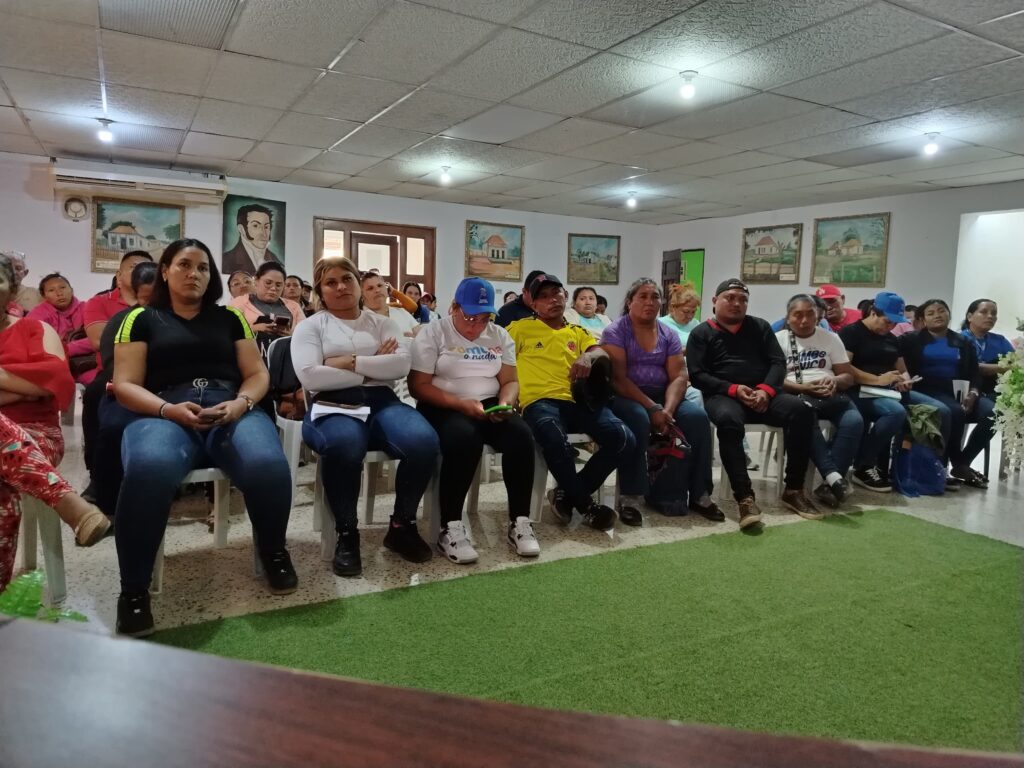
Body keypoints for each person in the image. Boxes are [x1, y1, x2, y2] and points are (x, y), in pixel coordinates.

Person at [111, 238, 297, 637]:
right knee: (149, 468)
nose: (194, 273)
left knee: (267, 464)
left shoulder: (230, 318)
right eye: (184, 264)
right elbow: (124, 384)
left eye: (203, 267)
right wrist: (168, 410)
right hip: (163, 410)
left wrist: (242, 403)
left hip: (228, 406)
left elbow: (257, 374)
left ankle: (273, 552)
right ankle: (134, 590)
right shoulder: (141, 318)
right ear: (164, 270)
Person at [293, 256, 439, 576]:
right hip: (332, 404)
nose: (340, 287)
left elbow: (400, 366)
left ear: (358, 285)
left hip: (382, 401)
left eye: (347, 279)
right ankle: (347, 533)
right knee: (344, 444)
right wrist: (373, 366)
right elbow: (311, 376)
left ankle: (401, 526)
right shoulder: (311, 326)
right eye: (331, 282)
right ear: (320, 290)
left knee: (424, 441)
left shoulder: (383, 323)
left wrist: (346, 361)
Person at [409, 277, 540, 562]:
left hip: (489, 401)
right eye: (469, 317)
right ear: (454, 307)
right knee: (464, 438)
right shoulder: (434, 333)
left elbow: (510, 381)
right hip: (443, 403)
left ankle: (520, 521)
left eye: (483, 319)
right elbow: (418, 386)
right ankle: (451, 527)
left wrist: (506, 403)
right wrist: (460, 404)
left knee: (521, 436)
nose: (475, 326)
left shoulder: (499, 335)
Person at [0, 253, 110, 592]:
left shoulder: (35, 328)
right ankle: (68, 502)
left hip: (37, 434)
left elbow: (55, 383)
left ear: (13, 289)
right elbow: (37, 385)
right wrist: (23, 385)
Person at [686, 278, 819, 527]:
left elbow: (777, 363)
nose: (736, 303)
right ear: (715, 301)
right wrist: (734, 389)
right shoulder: (701, 333)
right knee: (728, 420)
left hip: (763, 395)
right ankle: (745, 497)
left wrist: (766, 391)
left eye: (742, 299)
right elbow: (697, 375)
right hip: (724, 396)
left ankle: (794, 489)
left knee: (801, 411)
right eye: (730, 298)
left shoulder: (760, 327)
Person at [508, 273, 633, 531]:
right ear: (533, 304)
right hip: (540, 402)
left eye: (556, 294)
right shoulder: (519, 328)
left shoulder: (577, 331)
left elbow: (600, 351)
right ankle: (587, 506)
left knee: (624, 438)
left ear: (565, 296)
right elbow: (500, 360)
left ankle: (566, 494)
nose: (552, 300)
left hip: (579, 401)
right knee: (554, 438)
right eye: (543, 296)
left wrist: (588, 357)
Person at [603, 279, 719, 523]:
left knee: (697, 418)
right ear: (630, 302)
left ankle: (700, 493)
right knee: (638, 418)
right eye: (643, 296)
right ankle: (631, 496)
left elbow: (679, 376)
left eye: (655, 297)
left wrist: (667, 409)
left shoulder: (668, 333)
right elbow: (618, 378)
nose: (650, 302)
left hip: (664, 397)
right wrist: (652, 408)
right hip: (626, 396)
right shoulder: (616, 331)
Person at [776, 294, 863, 507]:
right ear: (788, 317)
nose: (804, 320)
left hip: (831, 394)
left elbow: (847, 376)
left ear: (818, 315)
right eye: (798, 315)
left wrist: (834, 380)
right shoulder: (779, 340)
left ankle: (829, 485)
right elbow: (773, 380)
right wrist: (804, 387)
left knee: (854, 421)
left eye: (810, 314)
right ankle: (834, 478)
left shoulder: (831, 338)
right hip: (798, 394)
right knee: (805, 418)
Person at [90, 261, 159, 516]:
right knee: (114, 427)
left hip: (170, 391)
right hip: (129, 389)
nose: (152, 305)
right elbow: (115, 370)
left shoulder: (174, 318)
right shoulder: (123, 321)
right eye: (146, 299)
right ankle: (106, 504)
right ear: (136, 293)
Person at [898, 299, 986, 488]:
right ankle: (947, 466)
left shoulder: (963, 341)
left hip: (955, 390)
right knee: (953, 411)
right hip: (921, 388)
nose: (937, 315)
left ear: (949, 314)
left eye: (941, 311)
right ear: (922, 320)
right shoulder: (910, 340)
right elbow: (897, 364)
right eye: (931, 313)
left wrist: (974, 393)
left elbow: (974, 373)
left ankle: (954, 464)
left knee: (986, 412)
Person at [838, 291, 913, 492]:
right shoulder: (851, 333)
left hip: (888, 391)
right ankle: (863, 465)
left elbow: (902, 369)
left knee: (937, 408)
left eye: (894, 323)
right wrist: (878, 380)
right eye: (887, 321)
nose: (890, 327)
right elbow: (845, 368)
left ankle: (901, 468)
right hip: (858, 390)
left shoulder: (892, 339)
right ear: (873, 312)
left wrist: (905, 379)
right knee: (895, 412)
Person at [960, 299, 1014, 475]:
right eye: (984, 312)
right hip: (966, 390)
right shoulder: (959, 339)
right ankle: (961, 463)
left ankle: (962, 462)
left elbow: (1015, 365)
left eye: (994, 313)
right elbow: (967, 368)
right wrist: (999, 367)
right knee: (993, 412)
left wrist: (987, 368)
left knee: (1000, 410)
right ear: (970, 316)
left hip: (992, 392)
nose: (990, 316)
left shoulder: (1000, 340)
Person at [27, 273, 97, 384]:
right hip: (54, 367)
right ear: (44, 296)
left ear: (71, 290)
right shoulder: (36, 315)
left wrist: (65, 349)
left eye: (63, 287)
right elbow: (36, 347)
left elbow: (99, 339)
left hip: (90, 362)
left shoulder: (89, 308)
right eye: (51, 290)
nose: (59, 293)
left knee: (100, 381)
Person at [230, 261, 305, 356]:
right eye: (268, 283)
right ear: (256, 281)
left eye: (278, 285)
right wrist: (254, 329)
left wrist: (290, 336)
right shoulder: (239, 303)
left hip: (284, 358)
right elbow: (227, 333)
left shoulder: (294, 307)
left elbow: (306, 336)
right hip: (249, 359)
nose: (273, 288)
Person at [360, 272, 419, 343]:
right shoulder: (360, 319)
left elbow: (423, 335)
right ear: (362, 294)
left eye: (379, 285)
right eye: (370, 288)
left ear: (387, 290)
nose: (377, 290)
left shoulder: (401, 311)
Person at [222, 204, 279, 275]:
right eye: (255, 226)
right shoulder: (227, 261)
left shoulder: (276, 261)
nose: (264, 234)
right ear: (241, 229)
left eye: (266, 227)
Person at [2, 251, 42, 315]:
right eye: (8, 268)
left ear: (25, 273)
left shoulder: (37, 294)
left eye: (18, 268)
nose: (13, 272)